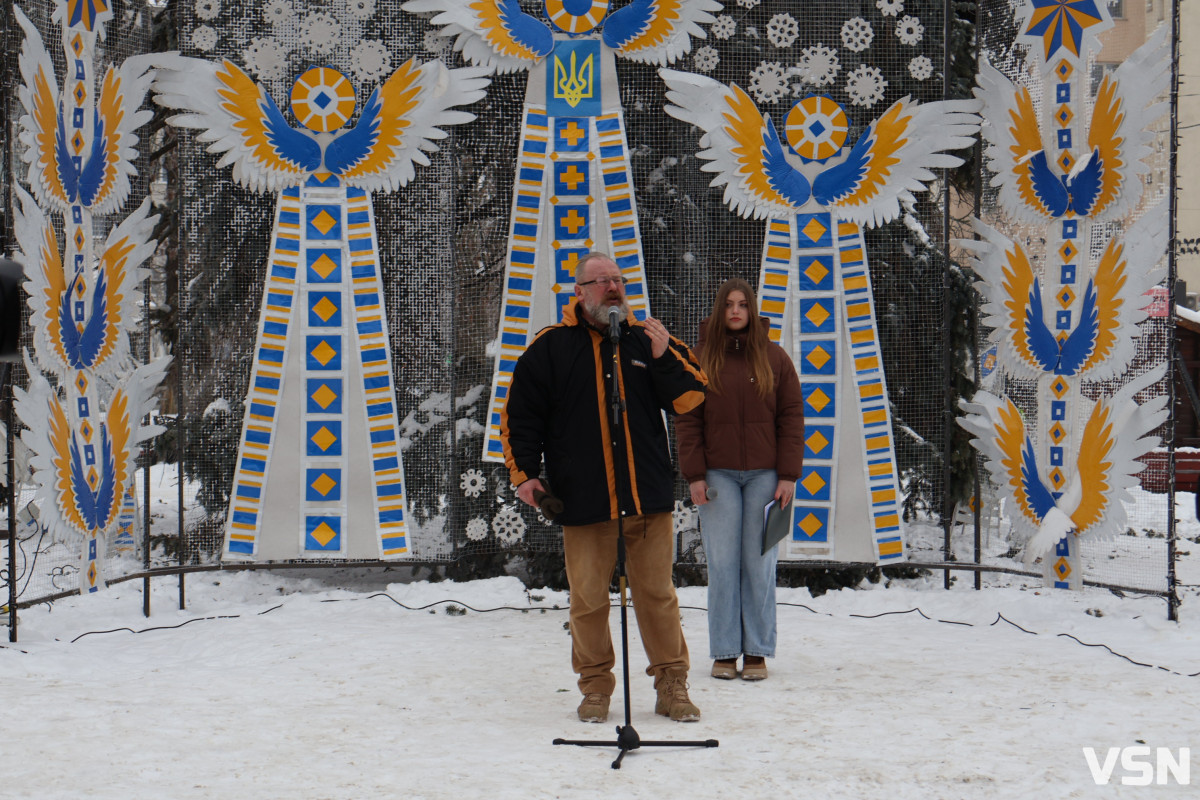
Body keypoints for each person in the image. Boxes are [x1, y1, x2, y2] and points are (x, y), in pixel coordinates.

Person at [501, 251, 708, 723]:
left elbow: (692, 396)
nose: (613, 288)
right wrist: (526, 476)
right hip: (583, 500)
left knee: (657, 594)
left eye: (618, 280)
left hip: (646, 498)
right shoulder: (550, 347)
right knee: (589, 599)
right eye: (600, 281)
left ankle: (672, 684)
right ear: (579, 292)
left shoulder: (649, 340)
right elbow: (519, 419)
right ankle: (595, 688)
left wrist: (661, 358)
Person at [675, 277, 804, 682]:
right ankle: (726, 652)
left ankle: (758, 653)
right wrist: (695, 475)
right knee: (724, 564)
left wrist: (787, 475)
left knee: (760, 562)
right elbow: (687, 421)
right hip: (718, 477)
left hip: (766, 478)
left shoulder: (775, 358)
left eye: (742, 304)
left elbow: (791, 418)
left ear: (751, 310)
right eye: (728, 304)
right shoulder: (699, 358)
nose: (735, 311)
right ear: (719, 310)